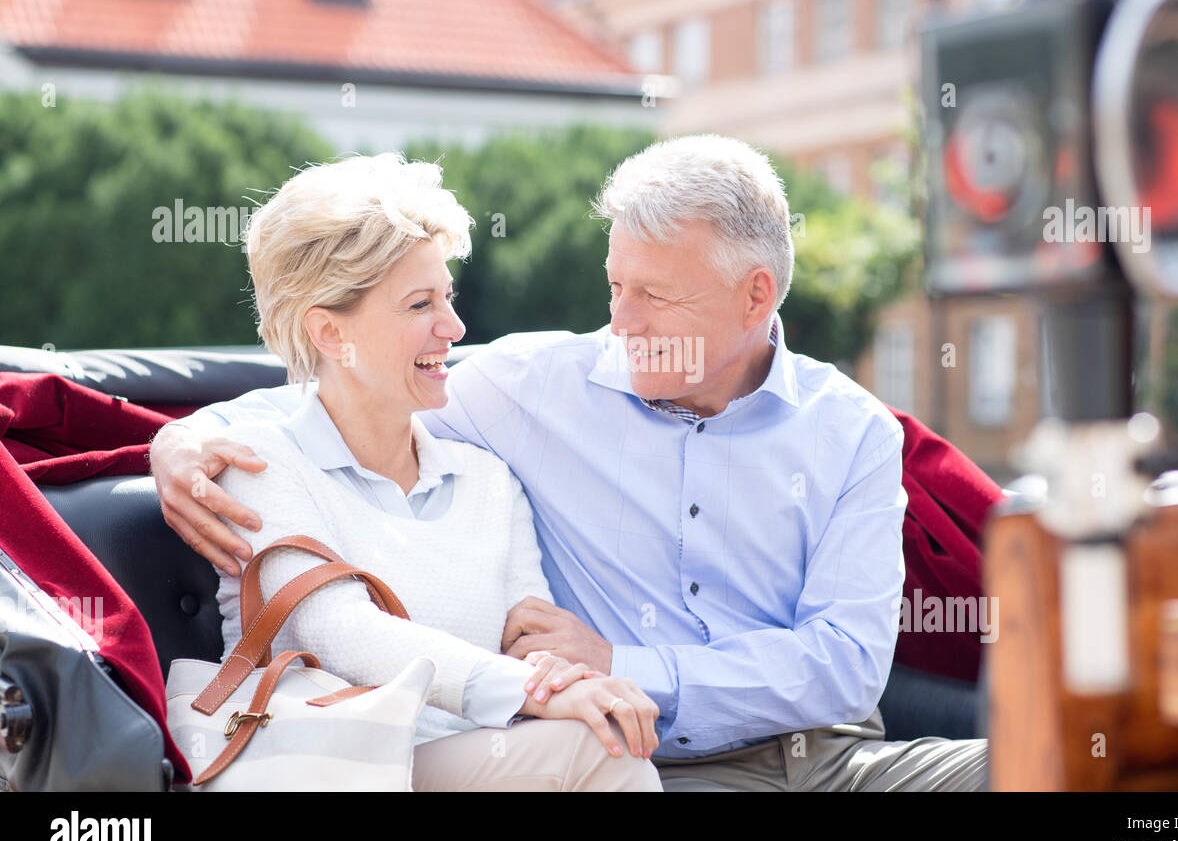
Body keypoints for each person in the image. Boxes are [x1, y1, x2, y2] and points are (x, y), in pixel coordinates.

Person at [152, 135, 988, 791]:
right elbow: (335, 392)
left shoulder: (852, 432)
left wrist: (621, 667)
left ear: (756, 296)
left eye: (655, 296)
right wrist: (179, 438)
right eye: (615, 285)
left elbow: (844, 667)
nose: (621, 320)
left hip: (844, 763)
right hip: (656, 765)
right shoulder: (529, 388)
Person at [187, 153, 661, 791]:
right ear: (330, 333)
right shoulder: (258, 466)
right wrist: (533, 691)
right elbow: (340, 631)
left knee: (603, 734)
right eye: (418, 305)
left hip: (477, 765)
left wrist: (568, 681)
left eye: (448, 296)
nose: (454, 327)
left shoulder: (489, 480)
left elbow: (529, 634)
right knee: (601, 752)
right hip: (337, 767)